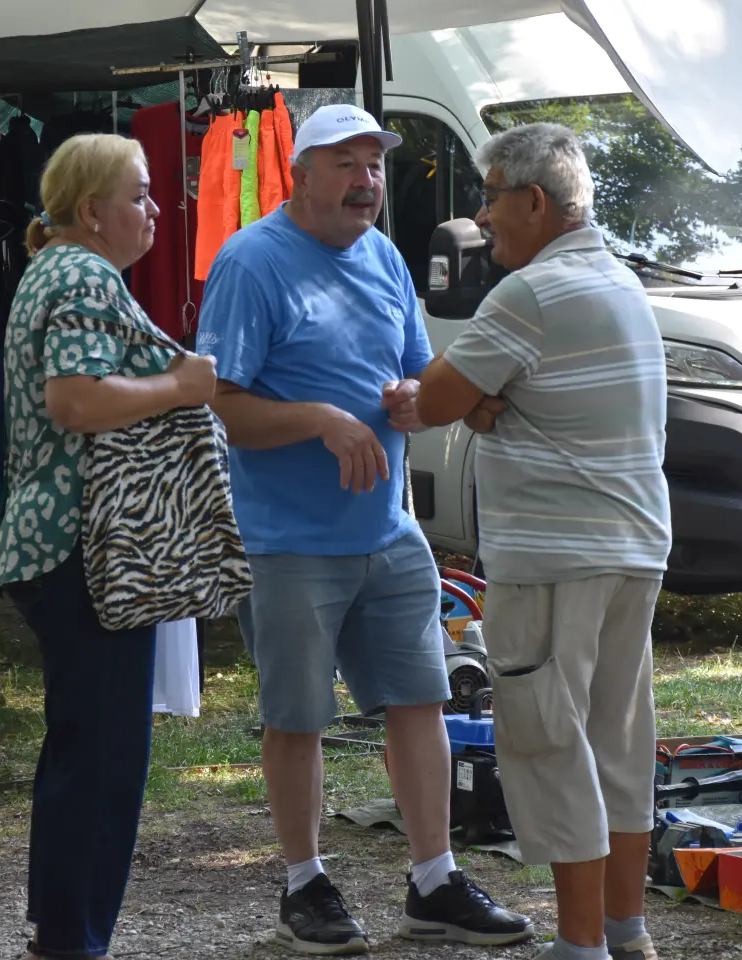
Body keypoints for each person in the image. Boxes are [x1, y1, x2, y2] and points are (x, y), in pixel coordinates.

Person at [196, 104, 533, 955]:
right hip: (288, 540)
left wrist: (418, 400)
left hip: (387, 530)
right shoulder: (251, 262)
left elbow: (416, 371)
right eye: (345, 164)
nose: (366, 180)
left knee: (421, 700)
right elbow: (223, 407)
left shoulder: (383, 254)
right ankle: (304, 884)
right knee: (297, 717)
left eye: (375, 166)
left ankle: (434, 881)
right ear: (300, 174)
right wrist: (319, 419)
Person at [414, 122, 672, 960]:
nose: (482, 218)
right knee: (618, 743)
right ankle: (627, 932)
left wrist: (469, 398)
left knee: (549, 741)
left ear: (533, 201)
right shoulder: (619, 280)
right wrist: (481, 399)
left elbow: (435, 399)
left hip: (556, 554)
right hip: (633, 545)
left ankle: (580, 944)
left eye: (490, 198)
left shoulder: (528, 295)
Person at [0, 133, 219, 960]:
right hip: (86, 549)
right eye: (141, 195)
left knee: (85, 751)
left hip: (68, 547)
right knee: (103, 761)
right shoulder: (83, 272)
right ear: (92, 211)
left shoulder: (55, 269)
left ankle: (61, 933)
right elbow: (76, 401)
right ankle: (72, 942)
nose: (157, 209)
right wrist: (182, 385)